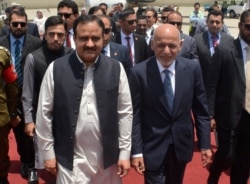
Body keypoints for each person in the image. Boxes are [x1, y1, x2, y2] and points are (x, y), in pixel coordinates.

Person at [35, 15, 133, 183]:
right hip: (70, 161)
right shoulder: (56, 69)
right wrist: (48, 153)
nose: (89, 44)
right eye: (83, 38)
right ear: (74, 38)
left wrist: (124, 152)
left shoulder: (116, 68)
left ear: (104, 38)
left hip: (108, 162)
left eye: (95, 38)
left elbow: (125, 112)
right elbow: (44, 114)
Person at [129, 23, 212, 184]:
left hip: (180, 144)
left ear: (180, 46)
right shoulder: (139, 73)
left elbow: (201, 110)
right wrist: (136, 151)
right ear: (152, 44)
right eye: (161, 45)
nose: (166, 51)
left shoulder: (192, 69)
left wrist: (205, 145)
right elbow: (135, 115)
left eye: (172, 46)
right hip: (152, 145)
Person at [21, 15, 73, 182]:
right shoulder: (33, 58)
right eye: (52, 34)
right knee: (49, 167)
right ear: (44, 35)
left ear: (66, 35)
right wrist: (29, 120)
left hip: (69, 121)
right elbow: (27, 93)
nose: (56, 39)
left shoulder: (72, 56)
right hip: (43, 121)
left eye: (60, 35)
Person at [206, 9, 250, 184]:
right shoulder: (225, 50)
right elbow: (211, 84)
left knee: (245, 163)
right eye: (248, 26)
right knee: (226, 156)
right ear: (240, 26)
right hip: (229, 115)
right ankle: (213, 176)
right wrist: (210, 114)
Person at [0, 8, 42, 184]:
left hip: (26, 95)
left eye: (22, 24)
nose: (18, 27)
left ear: (27, 24)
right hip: (6, 99)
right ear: (8, 24)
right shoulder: (1, 44)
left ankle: (30, 166)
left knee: (28, 136)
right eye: (15, 24)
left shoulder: (36, 43)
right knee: (2, 141)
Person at [193, 10, 233, 87]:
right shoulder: (197, 39)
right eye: (211, 22)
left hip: (222, 85)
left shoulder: (230, 40)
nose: (214, 25)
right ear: (207, 22)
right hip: (203, 83)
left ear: (222, 24)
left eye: (217, 22)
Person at [0, 46, 20, 184]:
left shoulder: (2, 54)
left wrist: (13, 113)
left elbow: (11, 85)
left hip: (0, 118)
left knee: (1, 153)